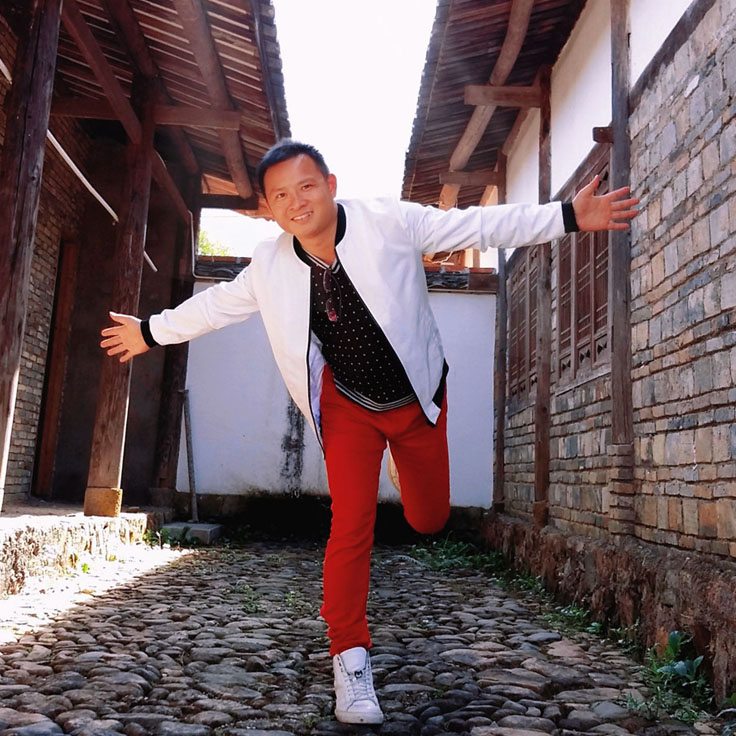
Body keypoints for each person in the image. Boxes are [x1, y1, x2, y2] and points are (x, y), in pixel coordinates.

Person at [100, 139, 638, 725]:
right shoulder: (271, 265)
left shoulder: (389, 222)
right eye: (281, 196)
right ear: (269, 209)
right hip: (347, 406)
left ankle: (402, 469)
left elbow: (477, 224)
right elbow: (216, 306)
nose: (296, 202)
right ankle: (350, 662)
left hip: (415, 402)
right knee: (350, 524)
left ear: (330, 185)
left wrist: (568, 216)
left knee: (427, 518)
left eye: (306, 187)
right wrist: (149, 332)